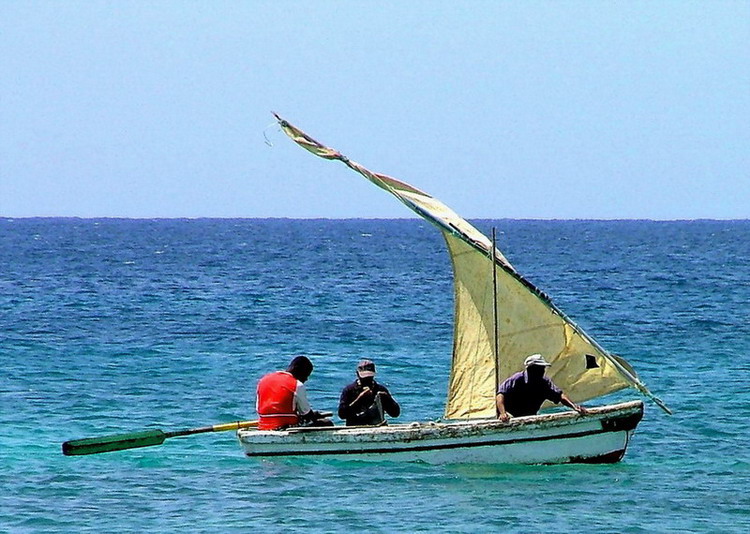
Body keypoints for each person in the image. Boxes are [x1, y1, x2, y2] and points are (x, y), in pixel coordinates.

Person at [496, 353, 589, 422]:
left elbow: (560, 396)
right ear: (530, 369)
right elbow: (500, 395)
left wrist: (574, 407)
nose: (543, 371)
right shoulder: (517, 379)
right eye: (539, 368)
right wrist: (503, 413)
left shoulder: (544, 382)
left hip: (529, 417)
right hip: (509, 417)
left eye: (543, 368)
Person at [256, 355, 333, 430]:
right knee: (327, 423)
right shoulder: (296, 384)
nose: (306, 379)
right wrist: (314, 415)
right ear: (299, 371)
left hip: (263, 426)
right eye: (306, 375)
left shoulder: (263, 381)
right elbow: (306, 415)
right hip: (285, 427)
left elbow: (259, 409)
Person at [338, 359, 400, 426]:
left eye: (369, 377)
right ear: (357, 374)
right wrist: (359, 399)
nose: (366, 380)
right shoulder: (349, 390)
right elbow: (342, 414)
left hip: (378, 427)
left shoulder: (380, 389)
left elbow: (395, 414)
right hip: (355, 428)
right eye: (364, 377)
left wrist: (388, 399)